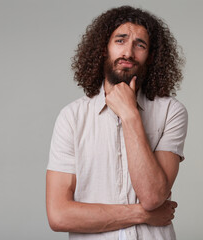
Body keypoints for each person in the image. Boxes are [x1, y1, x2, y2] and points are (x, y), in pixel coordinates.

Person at [46, 6, 188, 240]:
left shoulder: (171, 112)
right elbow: (59, 215)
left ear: (150, 56)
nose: (129, 53)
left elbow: (153, 196)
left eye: (140, 45)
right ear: (104, 48)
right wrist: (142, 214)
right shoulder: (71, 117)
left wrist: (130, 114)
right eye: (120, 40)